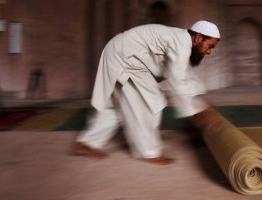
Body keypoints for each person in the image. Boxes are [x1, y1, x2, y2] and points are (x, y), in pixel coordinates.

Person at [72, 20, 221, 165]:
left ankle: (87, 143)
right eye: (210, 46)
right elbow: (177, 79)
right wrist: (195, 111)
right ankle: (149, 152)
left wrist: (200, 105)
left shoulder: (182, 42)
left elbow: (185, 76)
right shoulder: (181, 44)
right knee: (149, 101)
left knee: (122, 103)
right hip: (126, 57)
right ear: (198, 38)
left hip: (120, 52)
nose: (209, 51)